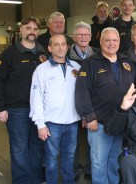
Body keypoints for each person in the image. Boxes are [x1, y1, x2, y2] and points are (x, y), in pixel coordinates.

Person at [75, 27, 136, 184]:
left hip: (121, 122)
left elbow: (135, 88)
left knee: (114, 160)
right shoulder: (90, 63)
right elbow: (82, 92)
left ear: (119, 42)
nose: (111, 43)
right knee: (98, 162)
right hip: (100, 123)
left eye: (115, 40)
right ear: (101, 42)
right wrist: (89, 117)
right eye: (107, 40)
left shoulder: (126, 61)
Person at [0, 16, 46, 184]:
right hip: (17, 110)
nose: (32, 32)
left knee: (37, 148)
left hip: (40, 110)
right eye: (28, 28)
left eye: (35, 29)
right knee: (19, 149)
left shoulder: (43, 52)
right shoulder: (9, 54)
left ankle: (36, 180)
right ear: (20, 30)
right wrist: (0, 107)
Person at [30, 34, 81, 183]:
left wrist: (84, 116)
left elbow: (82, 94)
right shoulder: (42, 70)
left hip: (72, 122)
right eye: (56, 44)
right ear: (49, 48)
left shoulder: (76, 68)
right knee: (51, 159)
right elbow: (36, 97)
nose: (60, 47)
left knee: (69, 158)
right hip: (52, 123)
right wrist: (40, 124)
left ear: (67, 46)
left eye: (63, 44)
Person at [69, 21, 97, 181]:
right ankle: (72, 170)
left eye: (86, 34)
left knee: (90, 141)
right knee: (73, 142)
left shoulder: (98, 54)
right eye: (80, 34)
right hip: (70, 106)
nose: (83, 37)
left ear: (91, 36)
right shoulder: (65, 55)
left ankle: (89, 169)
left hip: (92, 106)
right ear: (74, 37)